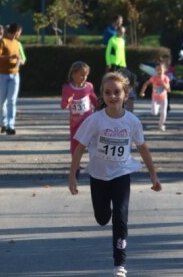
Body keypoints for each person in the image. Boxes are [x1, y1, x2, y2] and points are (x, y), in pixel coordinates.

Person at [68, 72, 162, 277]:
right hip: (99, 176)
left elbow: (143, 148)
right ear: (101, 95)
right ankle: (105, 214)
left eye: (117, 92)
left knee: (120, 216)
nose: (113, 96)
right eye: (108, 92)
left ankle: (120, 264)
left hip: (121, 174)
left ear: (125, 95)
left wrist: (152, 175)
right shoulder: (95, 120)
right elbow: (80, 147)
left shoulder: (132, 121)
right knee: (103, 218)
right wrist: (72, 176)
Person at [60, 61, 98, 158]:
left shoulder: (89, 86)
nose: (84, 77)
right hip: (75, 122)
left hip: (88, 121)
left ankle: (94, 162)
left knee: (92, 142)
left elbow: (95, 101)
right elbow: (63, 106)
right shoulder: (67, 88)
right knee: (75, 144)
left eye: (86, 75)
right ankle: (76, 163)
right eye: (82, 75)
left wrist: (103, 107)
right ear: (73, 74)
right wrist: (68, 101)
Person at [0, 23, 23, 135]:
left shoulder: (17, 43)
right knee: (3, 100)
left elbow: (19, 56)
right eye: (20, 32)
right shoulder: (2, 42)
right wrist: (10, 57)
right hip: (2, 75)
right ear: (16, 32)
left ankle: (11, 125)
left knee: (12, 100)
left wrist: (19, 60)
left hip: (15, 74)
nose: (20, 34)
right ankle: (3, 124)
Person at [139, 62, 171, 131]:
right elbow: (145, 84)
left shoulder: (166, 78)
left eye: (161, 70)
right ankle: (157, 107)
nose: (159, 71)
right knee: (154, 112)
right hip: (155, 98)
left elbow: (168, 89)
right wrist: (142, 92)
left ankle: (161, 125)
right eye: (157, 70)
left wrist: (163, 83)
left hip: (163, 98)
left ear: (164, 70)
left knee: (164, 112)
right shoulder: (153, 78)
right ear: (155, 71)